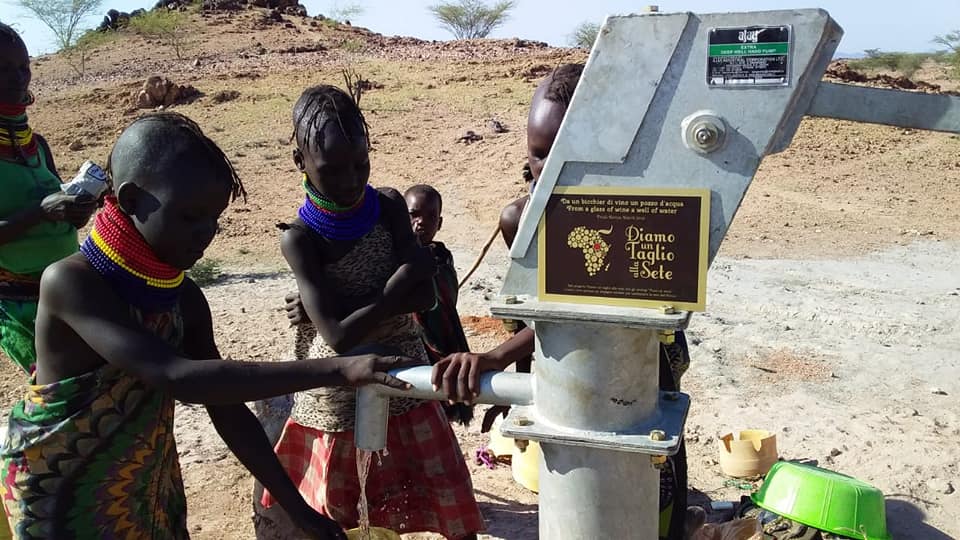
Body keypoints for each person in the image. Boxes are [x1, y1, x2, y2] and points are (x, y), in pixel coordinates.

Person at [0, 112, 412, 540]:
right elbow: (178, 377)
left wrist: (300, 511)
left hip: (142, 484)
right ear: (131, 199)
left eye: (214, 218)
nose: (206, 233)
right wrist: (339, 369)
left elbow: (226, 408)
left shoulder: (182, 297)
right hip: (61, 489)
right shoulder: (72, 283)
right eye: (190, 217)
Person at [432, 63, 693, 540]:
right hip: (568, 360)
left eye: (567, 157)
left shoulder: (644, 213)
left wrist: (498, 357)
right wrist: (516, 383)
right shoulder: (520, 221)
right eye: (538, 156)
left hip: (642, 358)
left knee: (651, 465)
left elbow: (604, 314)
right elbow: (541, 317)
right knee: (578, 475)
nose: (548, 172)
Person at [256, 85, 484, 540]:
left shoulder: (389, 205)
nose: (351, 180)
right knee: (340, 517)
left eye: (361, 164)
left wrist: (338, 308)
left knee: (450, 506)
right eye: (333, 169)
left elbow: (424, 297)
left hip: (406, 376)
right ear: (300, 161)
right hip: (336, 392)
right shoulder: (300, 239)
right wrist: (395, 288)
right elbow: (339, 338)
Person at [0, 23, 96, 374]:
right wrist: (40, 212)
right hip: (18, 304)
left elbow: (59, 212)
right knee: (62, 387)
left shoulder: (37, 145)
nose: (18, 78)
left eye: (23, 67)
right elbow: (42, 211)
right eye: (3, 69)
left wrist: (76, 212)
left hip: (70, 285)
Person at [404, 184, 473, 426]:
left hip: (440, 339)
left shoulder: (442, 258)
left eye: (430, 216)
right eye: (414, 215)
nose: (421, 222)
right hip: (411, 343)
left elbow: (447, 301)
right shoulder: (395, 259)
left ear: (440, 223)